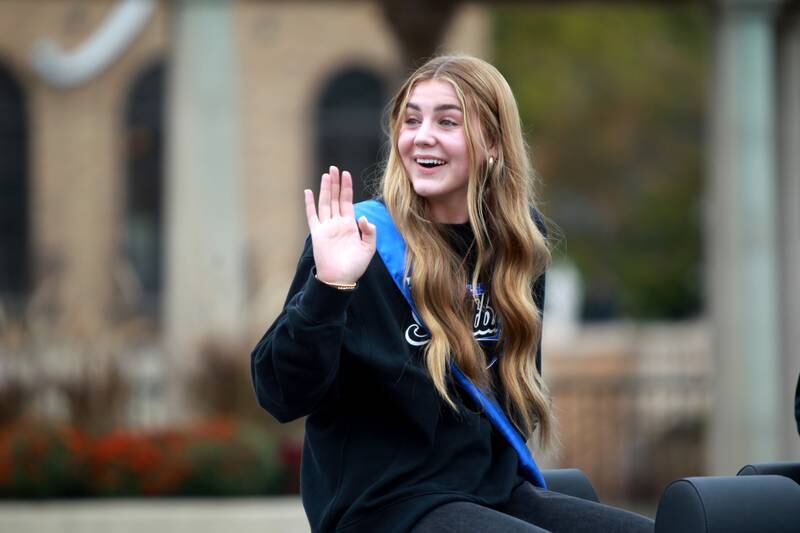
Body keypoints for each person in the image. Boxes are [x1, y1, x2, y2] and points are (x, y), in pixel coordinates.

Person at [251, 55, 654, 532]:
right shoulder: (361, 240)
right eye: (412, 120)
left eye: (447, 121)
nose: (422, 136)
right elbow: (280, 394)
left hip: (491, 495)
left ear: (493, 144)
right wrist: (330, 287)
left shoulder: (517, 245)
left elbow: (511, 393)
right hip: (384, 507)